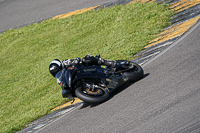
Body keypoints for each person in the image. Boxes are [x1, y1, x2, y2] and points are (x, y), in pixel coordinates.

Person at [49, 55, 120, 98]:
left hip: (84, 69)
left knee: (86, 59)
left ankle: (109, 63)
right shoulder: (59, 80)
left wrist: (75, 62)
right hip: (77, 80)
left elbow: (76, 59)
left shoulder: (65, 62)